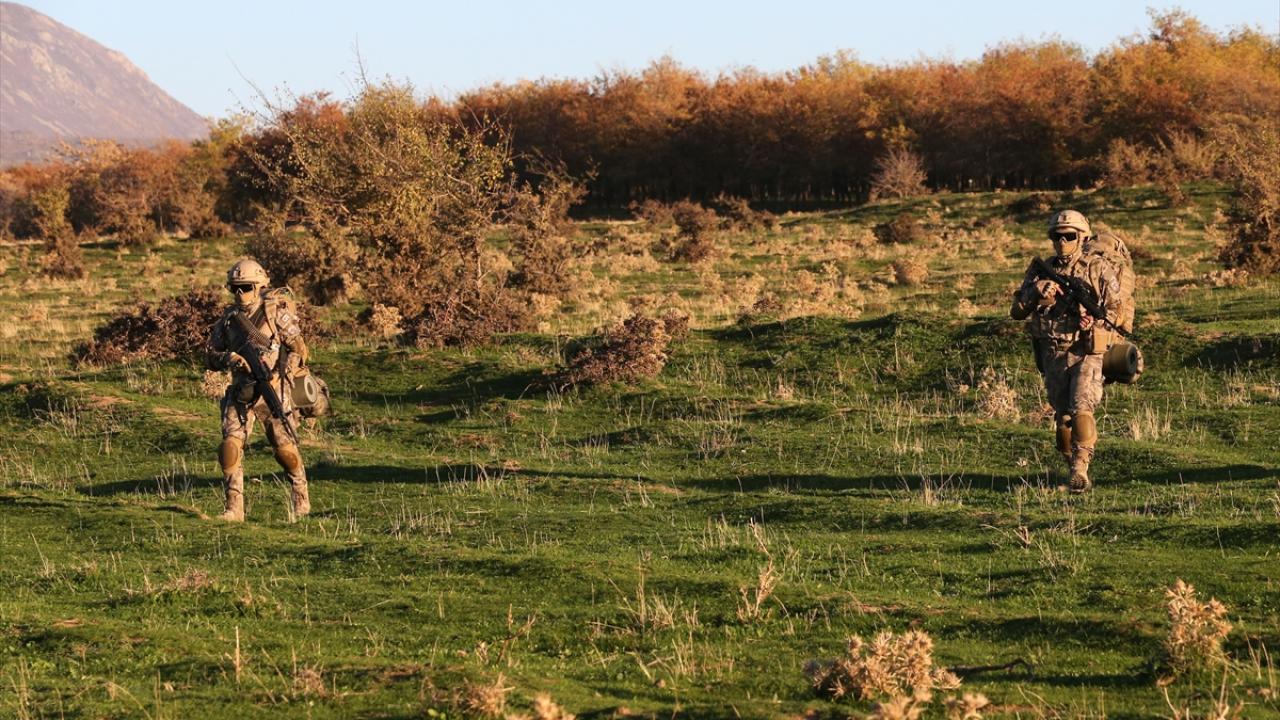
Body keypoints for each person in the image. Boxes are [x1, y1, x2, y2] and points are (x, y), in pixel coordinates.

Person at [1011, 210, 1122, 493]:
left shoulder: (1096, 268)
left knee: (1081, 406)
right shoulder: (1040, 270)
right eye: (1057, 237)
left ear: (1082, 237)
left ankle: (1080, 469)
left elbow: (1115, 309)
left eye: (1069, 236)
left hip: (1086, 349)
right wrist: (1035, 290)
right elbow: (1017, 312)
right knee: (1063, 416)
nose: (1062, 242)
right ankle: (1070, 463)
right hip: (1052, 351)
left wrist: (1093, 320)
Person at [206, 259, 311, 520]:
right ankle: (234, 509)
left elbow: (300, 349)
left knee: (285, 450)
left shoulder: (276, 312)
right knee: (230, 447)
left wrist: (282, 373)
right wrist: (228, 359)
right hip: (241, 391)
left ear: (259, 286)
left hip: (273, 389)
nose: (240, 294)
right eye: (235, 288)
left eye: (246, 288)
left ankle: (301, 498)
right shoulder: (229, 319)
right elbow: (210, 354)